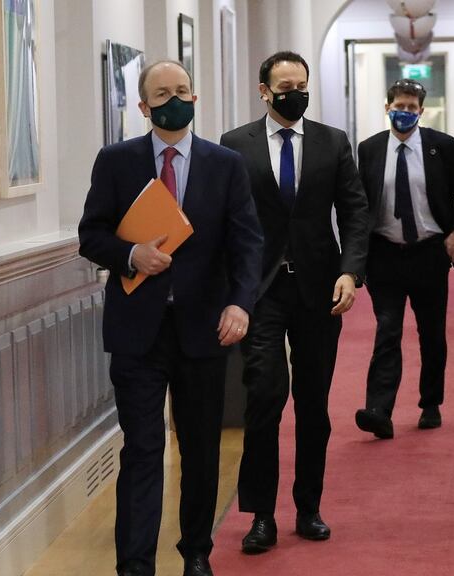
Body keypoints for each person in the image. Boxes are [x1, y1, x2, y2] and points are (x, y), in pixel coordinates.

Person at [78, 60, 263, 576]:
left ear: (195, 98)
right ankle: (135, 565)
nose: (173, 99)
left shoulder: (224, 164)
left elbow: (248, 244)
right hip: (137, 333)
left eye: (182, 90)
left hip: (204, 329)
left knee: (201, 449)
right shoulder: (115, 161)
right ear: (143, 106)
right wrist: (131, 255)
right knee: (142, 449)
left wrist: (239, 303)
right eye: (161, 93)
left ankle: (196, 553)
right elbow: (90, 235)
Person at [219, 51, 370, 554]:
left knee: (313, 403)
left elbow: (354, 213)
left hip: (319, 289)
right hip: (260, 291)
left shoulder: (332, 142)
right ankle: (261, 514)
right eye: (285, 86)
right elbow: (228, 223)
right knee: (264, 396)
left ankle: (309, 506)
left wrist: (351, 271)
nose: (295, 93)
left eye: (301, 85)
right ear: (264, 90)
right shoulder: (235, 145)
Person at [352, 79, 454, 440]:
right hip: (385, 255)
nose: (404, 112)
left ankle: (430, 403)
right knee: (387, 329)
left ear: (421, 111)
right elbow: (360, 205)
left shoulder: (442, 147)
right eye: (399, 106)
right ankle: (379, 409)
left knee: (431, 332)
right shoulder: (370, 149)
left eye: (411, 108)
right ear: (387, 106)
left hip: (429, 254)